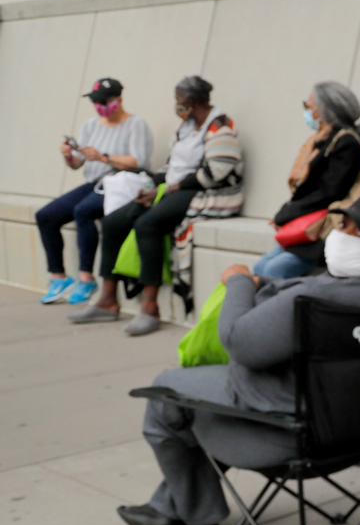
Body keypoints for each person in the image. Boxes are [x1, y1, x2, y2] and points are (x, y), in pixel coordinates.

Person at [117, 195, 360, 525]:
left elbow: (239, 343)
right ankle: (172, 507)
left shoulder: (309, 303)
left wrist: (239, 282)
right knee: (196, 407)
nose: (342, 233)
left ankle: (195, 515)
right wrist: (267, 284)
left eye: (358, 231)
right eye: (343, 224)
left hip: (296, 437)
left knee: (167, 393)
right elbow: (315, 289)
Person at [70, 76, 242, 335]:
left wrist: (173, 187)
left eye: (178, 99)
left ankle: (150, 308)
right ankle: (107, 300)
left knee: (147, 224)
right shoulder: (186, 126)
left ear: (191, 102)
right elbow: (172, 165)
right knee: (112, 222)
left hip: (205, 192)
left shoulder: (220, 127)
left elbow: (216, 172)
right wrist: (153, 185)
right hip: (174, 188)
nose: (176, 105)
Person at [36, 78, 152, 305]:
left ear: (119, 99)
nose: (99, 106)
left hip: (122, 183)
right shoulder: (90, 125)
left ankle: (86, 278)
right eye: (95, 101)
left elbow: (138, 161)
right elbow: (77, 164)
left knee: (84, 211)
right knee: (45, 216)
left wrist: (103, 157)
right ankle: (58, 277)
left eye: (103, 101)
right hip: (94, 183)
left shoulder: (136, 124)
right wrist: (68, 155)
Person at [254, 82, 360, 279]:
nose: (307, 111)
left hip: (323, 229)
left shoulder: (346, 143)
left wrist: (285, 214)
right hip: (308, 225)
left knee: (272, 271)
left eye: (309, 105)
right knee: (260, 268)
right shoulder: (325, 140)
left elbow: (329, 191)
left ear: (325, 110)